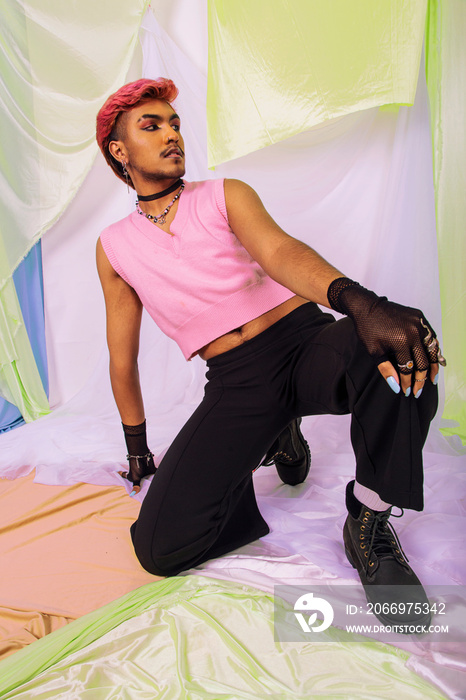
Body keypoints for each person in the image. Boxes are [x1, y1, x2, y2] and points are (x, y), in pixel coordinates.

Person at [95, 78, 444, 630]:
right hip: (238, 382)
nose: (172, 135)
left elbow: (279, 251)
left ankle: (369, 519)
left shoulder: (223, 194)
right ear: (119, 151)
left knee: (405, 348)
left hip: (307, 344)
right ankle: (279, 433)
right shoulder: (114, 246)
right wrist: (137, 447)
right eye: (152, 125)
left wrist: (360, 303)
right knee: (159, 549)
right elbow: (122, 357)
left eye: (175, 123)